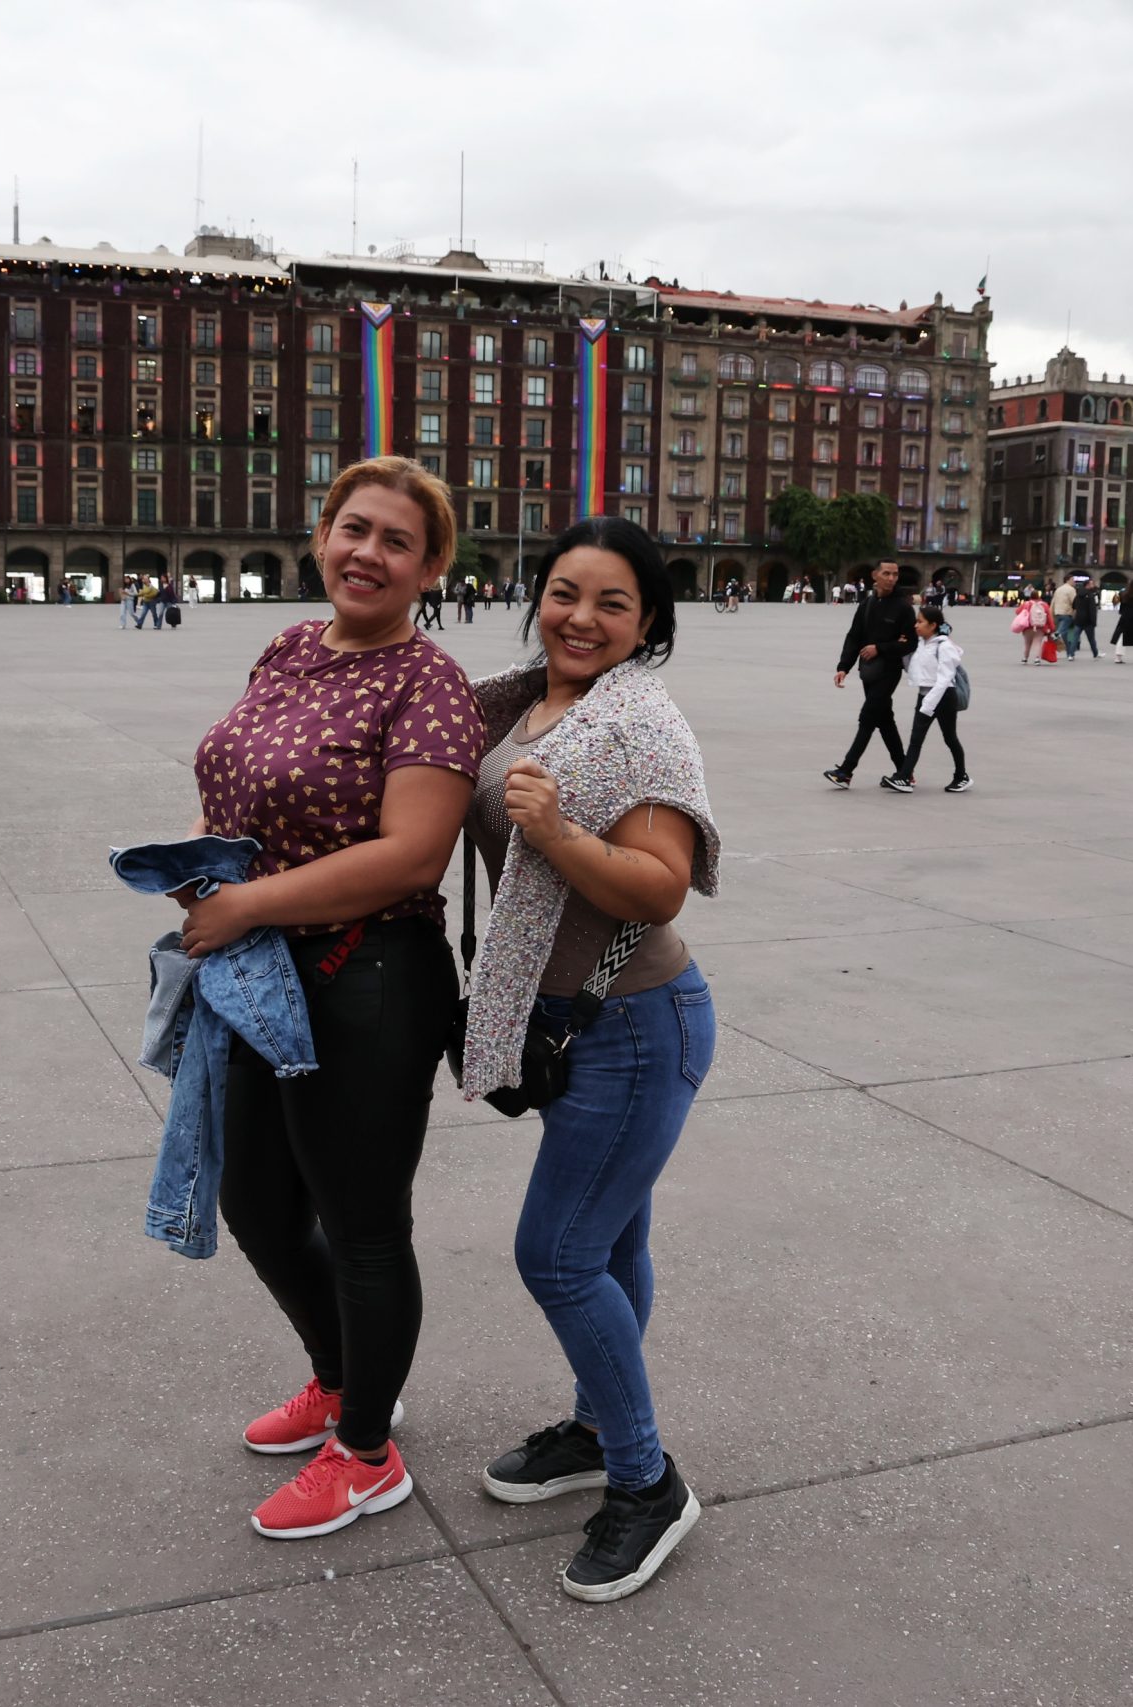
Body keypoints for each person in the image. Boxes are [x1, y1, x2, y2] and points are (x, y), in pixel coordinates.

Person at [178, 456, 483, 1543]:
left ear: (430, 566)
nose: (369, 553)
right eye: (354, 529)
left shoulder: (428, 682)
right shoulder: (287, 647)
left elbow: (411, 857)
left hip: (370, 977)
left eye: (397, 542)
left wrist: (249, 900)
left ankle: (367, 1451)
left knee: (360, 1225)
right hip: (263, 973)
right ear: (322, 535)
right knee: (255, 1199)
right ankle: (343, 1375)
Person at [463, 515, 716, 1602]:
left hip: (632, 1024)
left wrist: (561, 835)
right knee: (608, 1249)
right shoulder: (516, 698)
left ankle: (645, 1482)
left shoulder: (641, 725)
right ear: (538, 593)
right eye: (567, 592)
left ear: (647, 622)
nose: (582, 617)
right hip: (577, 1018)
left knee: (557, 1255)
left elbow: (660, 883)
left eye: (613, 603)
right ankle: (591, 1421)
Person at [822, 560, 916, 789]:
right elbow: (854, 636)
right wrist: (843, 666)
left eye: (895, 574)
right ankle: (905, 771)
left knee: (867, 718)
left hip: (889, 671)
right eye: (887, 573)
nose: (892, 578)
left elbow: (910, 642)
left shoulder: (903, 607)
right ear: (875, 575)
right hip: (869, 672)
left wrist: (880, 648)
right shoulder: (867, 604)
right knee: (885, 721)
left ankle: (846, 771)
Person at [893, 605, 970, 793]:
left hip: (943, 697)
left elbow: (945, 678)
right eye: (916, 621)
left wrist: (928, 704)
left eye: (920, 622)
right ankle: (904, 777)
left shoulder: (944, 646)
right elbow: (912, 669)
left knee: (950, 737)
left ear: (933, 625)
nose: (916, 625)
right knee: (916, 739)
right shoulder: (920, 644)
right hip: (925, 695)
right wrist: (903, 649)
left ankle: (961, 776)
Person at [1071, 580, 1102, 659]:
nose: (1093, 585)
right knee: (1091, 639)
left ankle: (1071, 655)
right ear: (1087, 585)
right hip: (1088, 620)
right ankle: (1095, 654)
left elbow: (1073, 605)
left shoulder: (1078, 594)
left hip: (1078, 619)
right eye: (1091, 584)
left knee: (1075, 638)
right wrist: (1094, 621)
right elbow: (1092, 610)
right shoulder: (1090, 595)